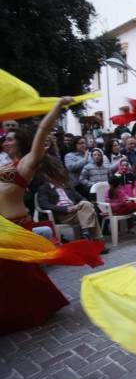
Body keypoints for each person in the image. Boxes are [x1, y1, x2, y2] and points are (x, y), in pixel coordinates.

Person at [0, 98, 71, 334]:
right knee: (16, 276)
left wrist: (57, 107)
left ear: (20, 142)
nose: (6, 140)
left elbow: (41, 131)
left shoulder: (26, 163)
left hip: (18, 225)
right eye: (5, 137)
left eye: (10, 138)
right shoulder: (4, 164)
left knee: (18, 273)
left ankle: (32, 311)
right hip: (3, 227)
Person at [37, 158, 104, 243]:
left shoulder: (67, 186)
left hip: (77, 211)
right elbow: (45, 205)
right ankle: (95, 240)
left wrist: (80, 205)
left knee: (86, 205)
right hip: (63, 215)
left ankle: (86, 233)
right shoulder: (44, 188)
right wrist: (66, 209)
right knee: (91, 212)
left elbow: (81, 198)